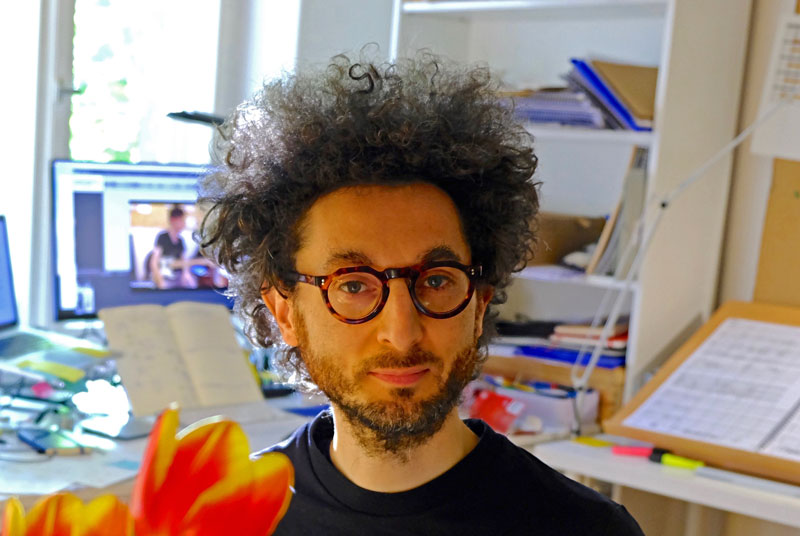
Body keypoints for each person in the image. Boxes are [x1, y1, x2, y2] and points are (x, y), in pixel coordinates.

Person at [198, 52, 644, 535]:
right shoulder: (227, 520)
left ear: (479, 303)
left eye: (435, 280)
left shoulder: (588, 529)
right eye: (353, 285)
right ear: (285, 313)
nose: (401, 331)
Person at [149, 206, 196, 289]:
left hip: (177, 276)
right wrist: (160, 281)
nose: (184, 224)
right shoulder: (162, 237)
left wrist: (186, 274)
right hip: (165, 276)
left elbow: (183, 261)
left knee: (192, 284)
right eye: (182, 220)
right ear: (173, 220)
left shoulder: (181, 240)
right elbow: (154, 262)